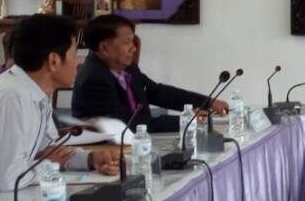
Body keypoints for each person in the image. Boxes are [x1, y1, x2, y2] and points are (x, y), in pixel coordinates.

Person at [0, 15, 122, 201]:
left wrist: (90, 159)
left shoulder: (34, 92)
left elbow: (51, 151)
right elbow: (8, 178)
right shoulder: (12, 97)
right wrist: (51, 163)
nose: (78, 63)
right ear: (54, 61)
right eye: (74, 54)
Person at [72, 13, 227, 132]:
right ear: (105, 48)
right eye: (127, 42)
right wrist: (187, 121)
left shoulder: (125, 67)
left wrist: (208, 102)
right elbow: (129, 123)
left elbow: (156, 92)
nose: (133, 48)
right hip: (106, 150)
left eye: (133, 41)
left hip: (137, 141)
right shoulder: (94, 79)